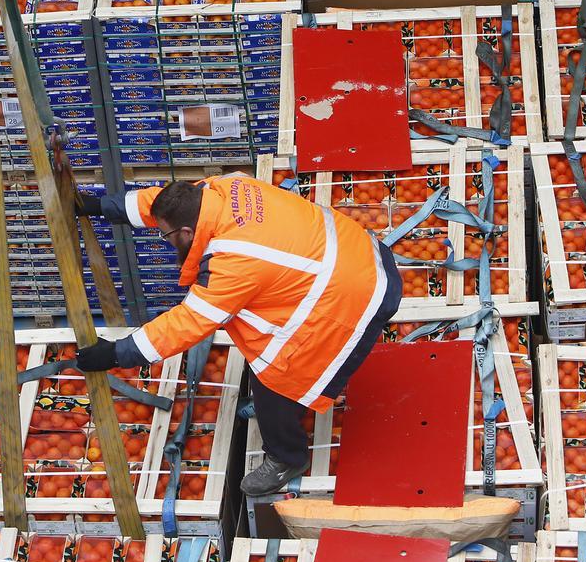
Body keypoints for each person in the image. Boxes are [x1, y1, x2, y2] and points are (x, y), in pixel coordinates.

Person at [74, 175, 401, 496]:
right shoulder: (220, 188)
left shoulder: (233, 262)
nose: (164, 239)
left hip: (354, 295)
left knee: (276, 372)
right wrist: (102, 206)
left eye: (166, 236)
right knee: (267, 345)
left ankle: (287, 457)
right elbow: (166, 203)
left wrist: (118, 353)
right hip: (359, 256)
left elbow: (190, 322)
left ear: (187, 233)